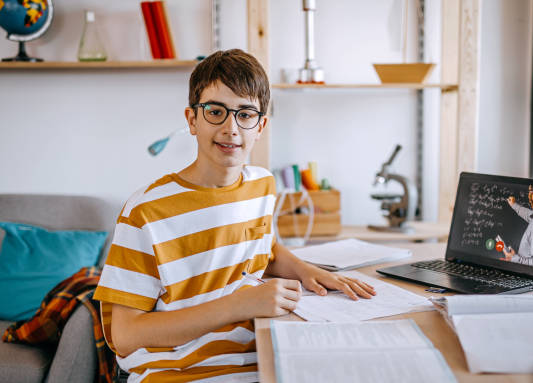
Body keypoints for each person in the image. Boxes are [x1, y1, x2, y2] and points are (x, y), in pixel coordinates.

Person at [93, 49, 376, 383]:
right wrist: (237, 306)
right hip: (181, 373)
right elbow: (125, 335)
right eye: (216, 111)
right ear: (192, 120)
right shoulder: (145, 212)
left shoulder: (262, 185)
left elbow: (263, 250)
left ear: (261, 126)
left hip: (264, 357)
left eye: (245, 114)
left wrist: (307, 271)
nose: (231, 128)